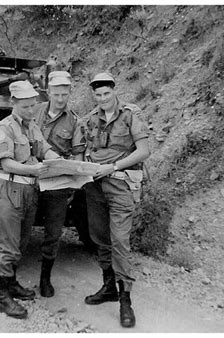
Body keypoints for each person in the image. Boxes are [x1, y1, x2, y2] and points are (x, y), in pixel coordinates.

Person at [81, 72, 150, 328]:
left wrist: (112, 167)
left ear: (114, 90)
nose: (103, 99)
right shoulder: (90, 119)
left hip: (121, 184)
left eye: (106, 94)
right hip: (95, 186)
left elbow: (144, 151)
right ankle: (108, 285)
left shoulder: (131, 115)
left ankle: (125, 299)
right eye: (98, 95)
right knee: (99, 237)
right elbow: (86, 149)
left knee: (120, 240)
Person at [0, 80, 60, 319]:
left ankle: (12, 284)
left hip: (29, 192)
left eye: (33, 105)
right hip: (10, 189)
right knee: (8, 247)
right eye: (27, 106)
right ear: (13, 103)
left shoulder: (31, 127)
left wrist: (56, 160)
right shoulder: (4, 128)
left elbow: (43, 148)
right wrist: (34, 170)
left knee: (21, 243)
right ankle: (3, 299)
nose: (31, 110)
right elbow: (5, 162)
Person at [32, 70, 85, 297]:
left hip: (57, 183)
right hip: (30, 176)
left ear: (69, 93)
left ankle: (45, 279)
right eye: (56, 94)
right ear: (48, 92)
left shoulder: (75, 122)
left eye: (65, 94)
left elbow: (79, 157)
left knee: (53, 232)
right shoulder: (34, 112)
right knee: (18, 227)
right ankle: (4, 277)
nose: (61, 99)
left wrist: (71, 184)